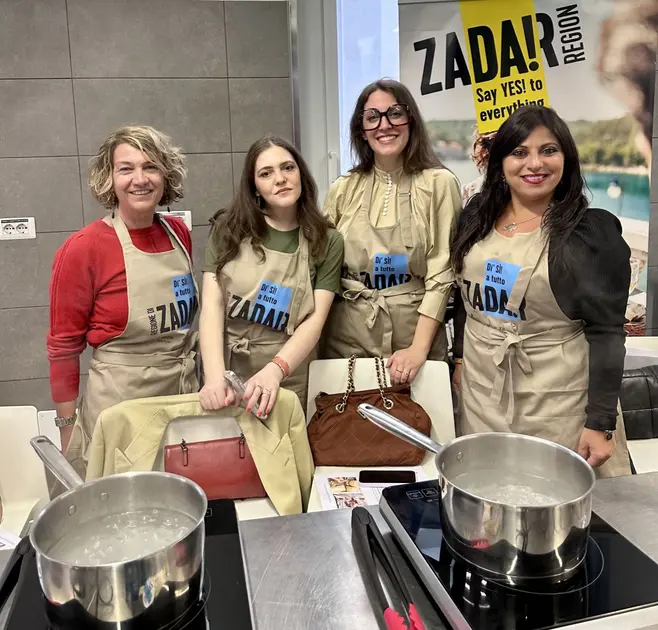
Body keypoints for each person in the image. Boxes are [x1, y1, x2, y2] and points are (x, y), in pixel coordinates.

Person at [451, 105, 632, 477]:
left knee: (557, 497)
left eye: (548, 150)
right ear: (500, 162)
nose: (534, 164)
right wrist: (459, 358)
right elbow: (465, 303)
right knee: (491, 491)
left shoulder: (588, 234)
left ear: (567, 158)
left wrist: (600, 422)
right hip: (482, 393)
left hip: (557, 402)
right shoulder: (476, 217)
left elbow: (607, 333)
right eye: (520, 152)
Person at [47, 125, 198, 477]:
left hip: (181, 397)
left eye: (151, 167)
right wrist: (68, 429)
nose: (139, 179)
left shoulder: (178, 233)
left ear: (165, 175)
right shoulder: (84, 248)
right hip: (121, 410)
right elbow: (63, 348)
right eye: (126, 169)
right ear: (109, 178)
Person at [321, 79, 462, 385]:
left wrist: (417, 350)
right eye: (372, 117)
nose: (384, 125)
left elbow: (442, 273)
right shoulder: (343, 188)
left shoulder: (439, 184)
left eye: (395, 113)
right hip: (346, 338)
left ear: (411, 120)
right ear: (361, 129)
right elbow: (322, 267)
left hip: (412, 343)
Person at [199, 135, 343, 415]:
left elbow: (315, 322)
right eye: (266, 173)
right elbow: (212, 306)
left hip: (288, 372)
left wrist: (275, 371)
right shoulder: (228, 229)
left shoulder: (327, 240)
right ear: (253, 185)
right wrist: (214, 377)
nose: (280, 179)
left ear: (301, 173)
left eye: (288, 168)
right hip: (230, 371)